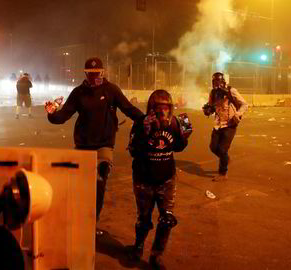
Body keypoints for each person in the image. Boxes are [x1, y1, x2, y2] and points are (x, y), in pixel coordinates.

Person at [45, 57, 144, 226]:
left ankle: (93, 221)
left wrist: (146, 119)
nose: (93, 77)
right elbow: (63, 116)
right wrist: (52, 113)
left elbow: (128, 109)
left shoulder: (111, 90)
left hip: (103, 145)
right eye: (90, 74)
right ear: (85, 73)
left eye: (96, 73)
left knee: (99, 184)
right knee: (80, 186)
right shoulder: (78, 92)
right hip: (83, 145)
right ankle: (79, 219)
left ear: (102, 72)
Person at [127, 89, 191, 269]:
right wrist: (145, 131)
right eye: (159, 108)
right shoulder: (141, 122)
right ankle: (138, 246)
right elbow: (133, 151)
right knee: (144, 219)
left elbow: (178, 147)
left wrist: (185, 137)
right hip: (143, 177)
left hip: (166, 178)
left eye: (166, 108)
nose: (163, 112)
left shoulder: (176, 123)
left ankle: (156, 255)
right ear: (151, 108)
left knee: (167, 219)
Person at [202, 72, 248, 182]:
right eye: (214, 82)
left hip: (230, 124)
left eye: (219, 82)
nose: (217, 84)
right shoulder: (213, 93)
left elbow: (244, 104)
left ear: (223, 82)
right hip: (218, 124)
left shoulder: (231, 91)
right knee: (213, 148)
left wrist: (238, 114)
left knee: (222, 149)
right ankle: (225, 159)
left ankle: (223, 173)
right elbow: (210, 106)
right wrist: (207, 110)